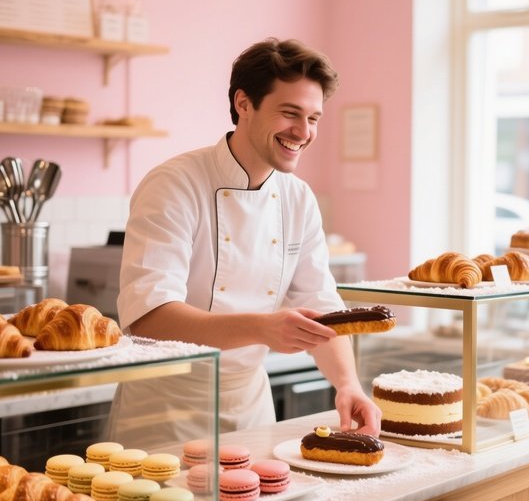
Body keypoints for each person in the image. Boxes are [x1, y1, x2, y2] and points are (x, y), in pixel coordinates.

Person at [114, 38, 381, 440]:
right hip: (165, 410)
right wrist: (262, 328)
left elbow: (321, 306)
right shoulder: (174, 184)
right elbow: (151, 317)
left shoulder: (298, 198)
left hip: (251, 407)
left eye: (314, 118)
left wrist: (347, 384)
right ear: (243, 103)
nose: (303, 132)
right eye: (290, 113)